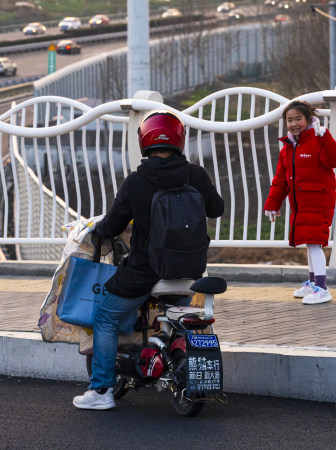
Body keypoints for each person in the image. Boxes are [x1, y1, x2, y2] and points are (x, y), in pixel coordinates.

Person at [73, 109, 224, 410]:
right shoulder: (196, 174)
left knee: (106, 314)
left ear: (145, 141)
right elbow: (216, 208)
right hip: (191, 270)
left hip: (147, 270)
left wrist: (96, 231)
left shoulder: (138, 181)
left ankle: (101, 390)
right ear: (180, 140)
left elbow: (113, 225)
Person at [263, 100, 336, 305]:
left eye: (298, 119)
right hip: (300, 204)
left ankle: (322, 287)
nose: (294, 124)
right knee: (310, 242)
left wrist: (325, 137)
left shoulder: (318, 140)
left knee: (315, 243)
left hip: (318, 201)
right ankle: (312, 282)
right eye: (289, 120)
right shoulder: (288, 148)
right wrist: (272, 204)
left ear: (308, 119)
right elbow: (280, 180)